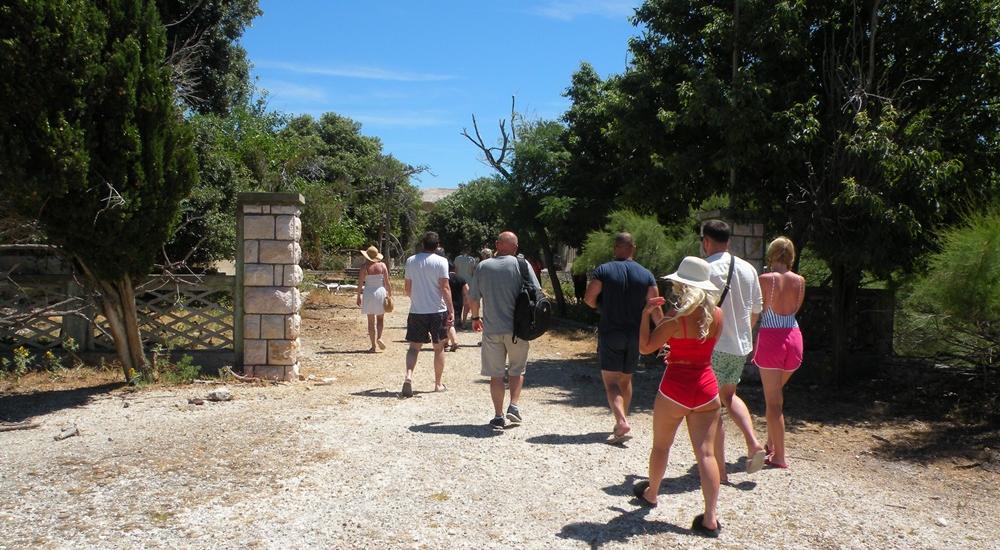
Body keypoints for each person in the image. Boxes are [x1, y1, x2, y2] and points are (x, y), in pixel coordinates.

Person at [633, 256, 723, 538]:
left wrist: (646, 315)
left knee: (661, 446)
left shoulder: (676, 319)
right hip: (707, 387)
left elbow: (647, 347)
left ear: (681, 285)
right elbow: (698, 345)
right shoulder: (717, 316)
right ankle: (710, 518)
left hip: (675, 387)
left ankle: (652, 493)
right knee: (706, 453)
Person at [700, 219, 767, 480]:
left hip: (714, 346)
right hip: (740, 346)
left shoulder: (706, 268)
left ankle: (721, 470)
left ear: (706, 241)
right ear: (729, 241)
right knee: (729, 396)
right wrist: (743, 336)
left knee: (712, 406)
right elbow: (756, 312)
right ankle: (753, 442)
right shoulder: (749, 269)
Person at [583, 232, 662, 444]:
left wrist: (602, 306)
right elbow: (655, 308)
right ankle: (621, 422)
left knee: (610, 383)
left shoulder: (604, 270)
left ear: (615, 247)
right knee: (626, 379)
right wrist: (661, 335)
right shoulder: (646, 275)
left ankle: (621, 420)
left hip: (611, 332)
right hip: (636, 334)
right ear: (633, 248)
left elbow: (589, 298)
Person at [469, 231, 540, 432]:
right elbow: (537, 292)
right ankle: (514, 406)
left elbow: (474, 297)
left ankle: (498, 416)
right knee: (517, 370)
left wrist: (475, 318)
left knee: (496, 375)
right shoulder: (522, 265)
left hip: (491, 330)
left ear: (497, 245)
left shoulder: (483, 266)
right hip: (519, 329)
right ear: (515, 248)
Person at [754, 237, 805, 469]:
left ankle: (780, 456)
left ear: (771, 254)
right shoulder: (800, 281)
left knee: (772, 402)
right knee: (776, 396)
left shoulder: (765, 279)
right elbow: (794, 309)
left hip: (771, 339)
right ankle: (770, 444)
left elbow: (757, 310)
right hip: (794, 338)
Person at [401, 232, 454, 397]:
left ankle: (409, 376)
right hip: (437, 310)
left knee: (414, 348)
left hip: (417, 310)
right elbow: (444, 287)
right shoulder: (441, 261)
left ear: (422, 244)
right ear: (438, 245)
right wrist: (451, 309)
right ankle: (437, 384)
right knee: (439, 349)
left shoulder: (411, 261)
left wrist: (415, 299)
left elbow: (407, 288)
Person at [356, 245, 392, 353]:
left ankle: (373, 346)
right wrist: (390, 295)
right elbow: (387, 282)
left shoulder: (364, 267)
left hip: (369, 293)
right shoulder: (382, 266)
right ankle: (379, 337)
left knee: (370, 321)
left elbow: (360, 283)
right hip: (380, 291)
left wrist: (358, 296)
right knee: (380, 319)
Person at [446, 263, 469, 352]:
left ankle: (453, 341)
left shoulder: (444, 279)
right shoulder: (461, 278)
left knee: (448, 322)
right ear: (454, 269)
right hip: (458, 303)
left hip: (447, 302)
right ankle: (447, 342)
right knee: (452, 322)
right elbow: (467, 290)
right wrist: (467, 301)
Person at [454, 249, 478, 327]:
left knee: (458, 301)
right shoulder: (472, 259)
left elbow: (456, 270)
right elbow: (472, 272)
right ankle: (464, 322)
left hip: (458, 281)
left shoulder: (457, 258)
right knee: (466, 303)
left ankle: (457, 320)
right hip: (468, 281)